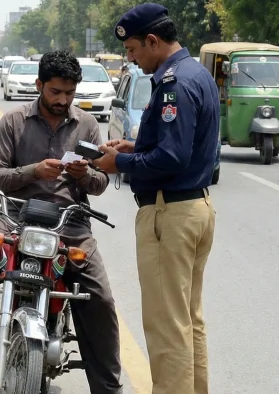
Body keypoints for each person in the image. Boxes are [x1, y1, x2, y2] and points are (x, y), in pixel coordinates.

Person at [0, 49, 123, 394]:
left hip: (70, 222)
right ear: (39, 85)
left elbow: (101, 184)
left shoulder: (88, 124)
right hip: (16, 216)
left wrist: (83, 175)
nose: (63, 100)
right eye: (55, 92)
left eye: (69, 93)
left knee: (101, 298)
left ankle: (108, 387)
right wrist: (33, 170)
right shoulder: (14, 121)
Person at [90, 3, 219, 394]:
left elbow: (172, 157)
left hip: (171, 213)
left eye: (132, 50)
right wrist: (135, 145)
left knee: (166, 325)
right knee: (187, 321)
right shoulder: (196, 73)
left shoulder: (173, 83)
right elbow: (183, 145)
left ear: (152, 40)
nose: (130, 59)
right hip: (195, 207)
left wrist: (120, 162)